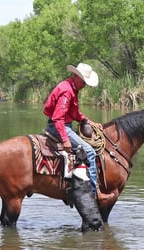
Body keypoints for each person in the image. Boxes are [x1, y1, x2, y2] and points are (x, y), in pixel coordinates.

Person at [43, 62, 115, 201]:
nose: (85, 85)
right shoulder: (67, 92)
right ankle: (94, 194)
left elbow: (74, 113)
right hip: (61, 126)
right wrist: (65, 139)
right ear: (76, 76)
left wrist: (88, 121)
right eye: (84, 81)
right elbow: (58, 118)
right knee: (90, 152)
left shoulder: (70, 88)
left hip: (64, 124)